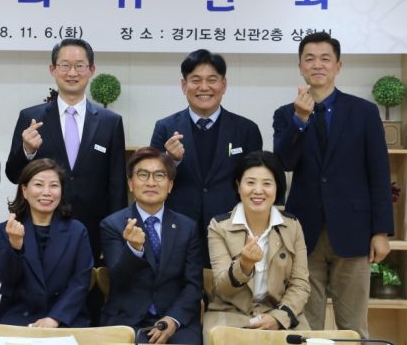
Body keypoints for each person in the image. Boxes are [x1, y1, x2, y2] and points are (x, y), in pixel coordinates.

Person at [273, 32, 393, 336]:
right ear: (300, 67)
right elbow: (283, 163)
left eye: (325, 58)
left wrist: (381, 232)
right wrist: (300, 121)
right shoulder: (286, 114)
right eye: (309, 59)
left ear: (338, 66)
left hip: (354, 230)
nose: (317, 65)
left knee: (353, 326)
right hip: (304, 233)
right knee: (306, 325)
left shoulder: (364, 112)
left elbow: (379, 174)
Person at [5, 38, 127, 262]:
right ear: (53, 69)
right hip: (41, 226)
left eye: (80, 66)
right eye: (65, 65)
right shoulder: (31, 117)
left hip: (93, 230)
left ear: (91, 70)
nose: (72, 73)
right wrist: (27, 150)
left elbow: (117, 185)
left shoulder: (110, 122)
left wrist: (114, 236)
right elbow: (13, 175)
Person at [150, 49, 262, 265]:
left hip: (231, 229)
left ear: (224, 85)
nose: (204, 87)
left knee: (228, 285)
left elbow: (254, 182)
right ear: (184, 85)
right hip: (179, 229)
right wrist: (171, 160)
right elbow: (153, 181)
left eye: (212, 80)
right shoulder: (165, 127)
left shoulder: (246, 129)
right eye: (195, 80)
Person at [203, 151, 310, 345]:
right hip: (231, 313)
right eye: (250, 182)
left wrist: (278, 318)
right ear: (238, 185)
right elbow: (222, 289)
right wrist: (243, 266)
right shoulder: (219, 227)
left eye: (267, 183)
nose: (258, 190)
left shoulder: (292, 226)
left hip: (279, 311)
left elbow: (300, 284)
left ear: (277, 187)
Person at [100, 147, 203, 345]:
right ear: (130, 183)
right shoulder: (112, 225)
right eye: (143, 175)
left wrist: (173, 319)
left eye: (159, 176)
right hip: (127, 319)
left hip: (174, 319)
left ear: (170, 185)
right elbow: (118, 279)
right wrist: (133, 248)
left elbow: (193, 285)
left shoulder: (187, 227)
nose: (151, 182)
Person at [0, 158, 93, 328]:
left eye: (54, 186)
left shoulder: (77, 231)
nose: (47, 192)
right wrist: (16, 246)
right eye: (39, 185)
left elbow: (80, 282)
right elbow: (7, 280)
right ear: (24, 191)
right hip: (19, 318)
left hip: (65, 319)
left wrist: (54, 318)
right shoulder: (6, 229)